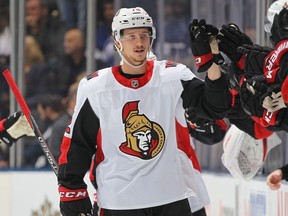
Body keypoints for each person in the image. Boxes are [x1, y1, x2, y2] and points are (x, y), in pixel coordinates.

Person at [57, 7, 231, 215]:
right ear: (117, 41)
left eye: (144, 35)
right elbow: (78, 143)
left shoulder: (172, 76)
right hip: (118, 203)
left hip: (171, 199)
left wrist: (210, 64)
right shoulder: (95, 87)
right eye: (131, 36)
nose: (139, 43)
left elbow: (216, 107)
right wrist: (71, 188)